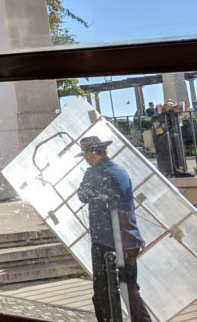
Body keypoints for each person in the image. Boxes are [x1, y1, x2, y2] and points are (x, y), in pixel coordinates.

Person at [76, 136, 153, 322]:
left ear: (91, 154)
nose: (86, 159)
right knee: (130, 290)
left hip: (106, 241)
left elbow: (82, 195)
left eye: (86, 156)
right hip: (129, 239)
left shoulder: (95, 172)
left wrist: (88, 177)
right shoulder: (120, 170)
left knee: (102, 293)